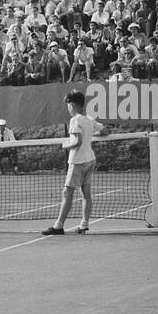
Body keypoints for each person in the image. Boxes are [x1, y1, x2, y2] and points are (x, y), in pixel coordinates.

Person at [42, 90, 107, 236]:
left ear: (72, 105)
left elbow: (76, 142)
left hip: (78, 161)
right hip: (90, 160)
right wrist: (89, 135)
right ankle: (84, 225)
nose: (68, 108)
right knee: (86, 193)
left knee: (67, 192)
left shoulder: (75, 120)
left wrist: (65, 145)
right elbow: (104, 131)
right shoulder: (89, 119)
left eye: (68, 104)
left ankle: (58, 226)